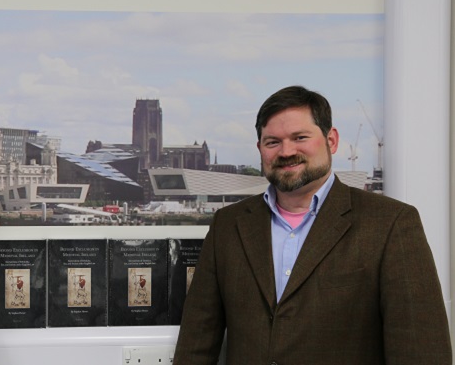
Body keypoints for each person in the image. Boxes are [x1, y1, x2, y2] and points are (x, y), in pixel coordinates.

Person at [173, 85, 451, 364]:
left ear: (331, 140)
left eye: (300, 137)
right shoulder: (228, 225)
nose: (286, 151)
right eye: (272, 142)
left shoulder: (390, 223)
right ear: (260, 150)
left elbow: (421, 351)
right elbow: (197, 337)